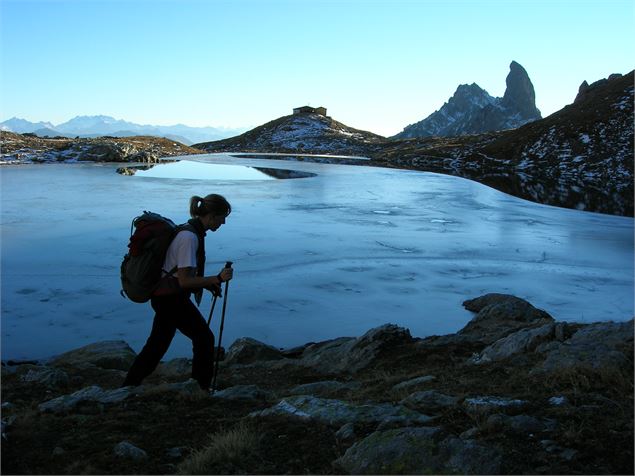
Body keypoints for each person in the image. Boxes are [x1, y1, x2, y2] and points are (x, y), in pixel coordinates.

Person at [123, 194, 233, 390]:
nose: (223, 222)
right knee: (204, 339)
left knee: (157, 346)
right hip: (171, 300)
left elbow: (180, 275)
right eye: (222, 217)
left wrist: (207, 284)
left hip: (165, 297)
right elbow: (184, 281)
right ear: (211, 216)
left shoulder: (189, 231)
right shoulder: (189, 238)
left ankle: (128, 386)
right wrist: (217, 279)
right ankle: (201, 388)